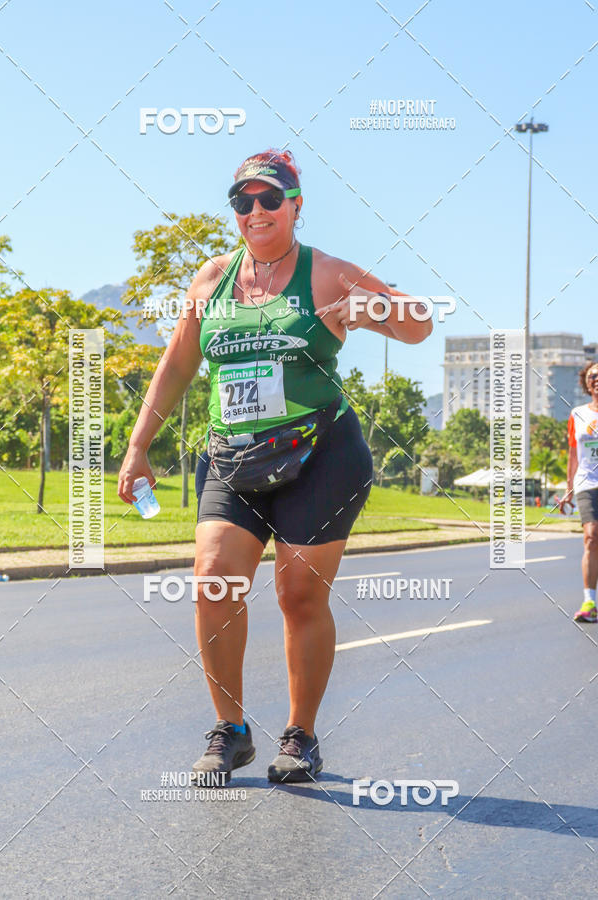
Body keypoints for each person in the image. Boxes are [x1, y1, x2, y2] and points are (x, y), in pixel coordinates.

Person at [117, 149, 432, 783]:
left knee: (297, 593)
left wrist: (370, 310)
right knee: (214, 581)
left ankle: (301, 735)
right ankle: (230, 730)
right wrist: (137, 445)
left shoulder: (327, 274)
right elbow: (178, 363)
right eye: (243, 201)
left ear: (294, 205)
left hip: (320, 454)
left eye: (269, 199)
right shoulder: (210, 281)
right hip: (233, 455)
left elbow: (418, 324)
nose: (256, 211)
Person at [561, 361, 598, 622]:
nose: (596, 379)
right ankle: (589, 602)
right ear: (586, 382)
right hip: (587, 482)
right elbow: (573, 454)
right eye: (592, 376)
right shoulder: (577, 414)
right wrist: (569, 489)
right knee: (591, 537)